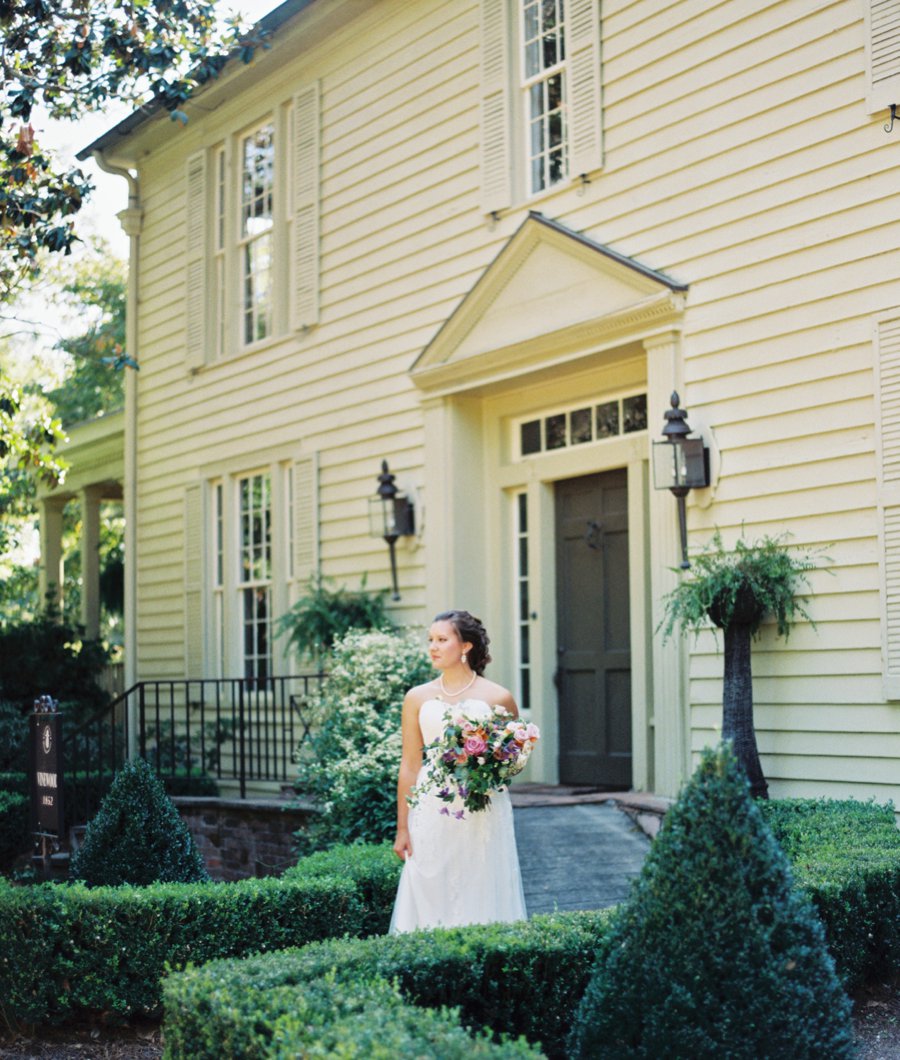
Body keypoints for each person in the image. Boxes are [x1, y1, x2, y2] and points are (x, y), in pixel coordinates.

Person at [389, 609, 528, 933]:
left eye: (442, 639)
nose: (433, 647)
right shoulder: (417, 698)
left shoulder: (497, 696)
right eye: (431, 640)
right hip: (431, 807)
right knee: (428, 882)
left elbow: (515, 758)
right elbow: (410, 764)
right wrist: (402, 827)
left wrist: (487, 767)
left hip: (481, 808)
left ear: (465, 647)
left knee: (480, 881)